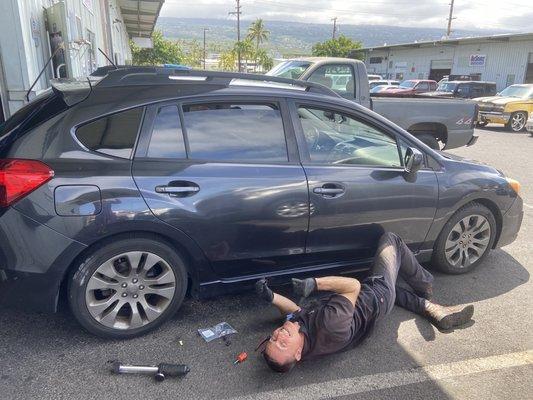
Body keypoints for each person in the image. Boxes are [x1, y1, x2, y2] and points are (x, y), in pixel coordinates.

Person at [254, 232, 474, 373]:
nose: (280, 335)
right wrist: (315, 283)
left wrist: (271, 297)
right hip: (376, 294)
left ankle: (433, 310)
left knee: (392, 286)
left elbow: (295, 312)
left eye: (273, 338)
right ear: (298, 354)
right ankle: (425, 284)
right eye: (283, 344)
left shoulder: (303, 335)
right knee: (391, 241)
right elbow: (352, 287)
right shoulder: (330, 325)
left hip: (369, 303)